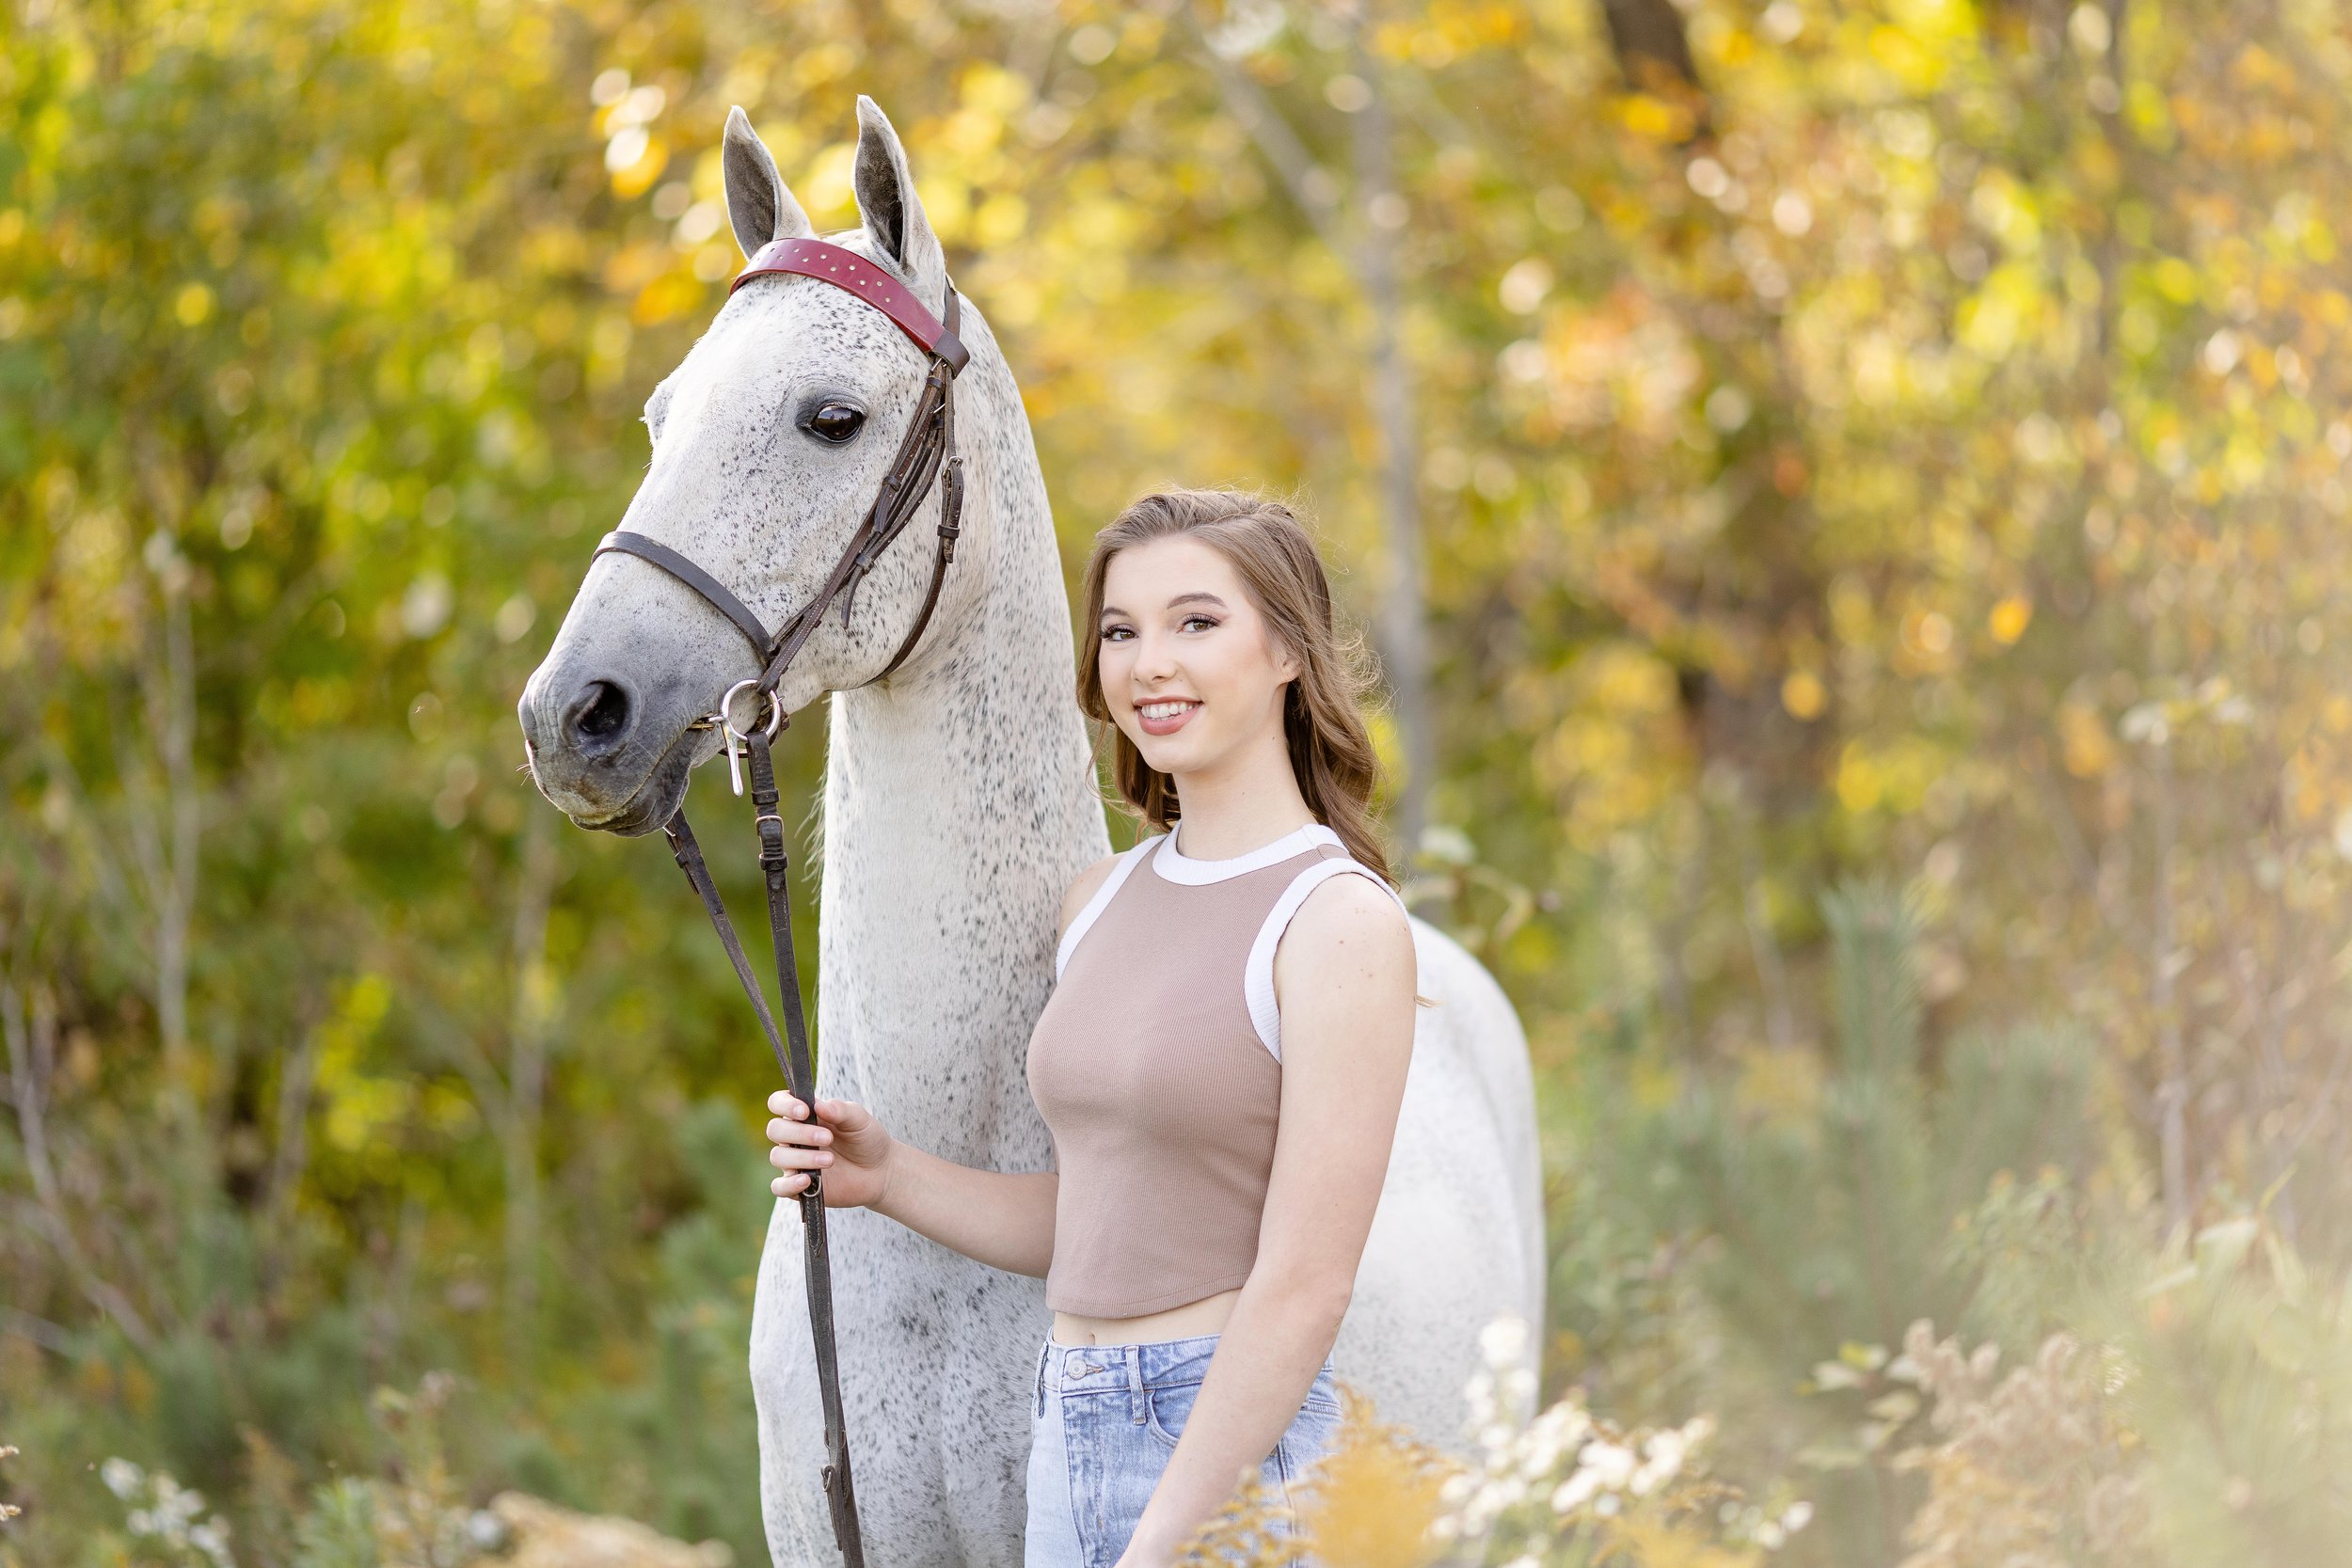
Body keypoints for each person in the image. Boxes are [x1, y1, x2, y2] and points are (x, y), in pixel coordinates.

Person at [761, 486, 1419, 1567]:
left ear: (1289, 651)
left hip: (1231, 1455)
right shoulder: (1097, 901)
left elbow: (1305, 1282)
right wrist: (884, 1174)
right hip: (1066, 1421)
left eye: (1196, 622)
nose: (1149, 661)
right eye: (1121, 631)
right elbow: (1103, 1220)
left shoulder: (1335, 917)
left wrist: (1166, 1529)